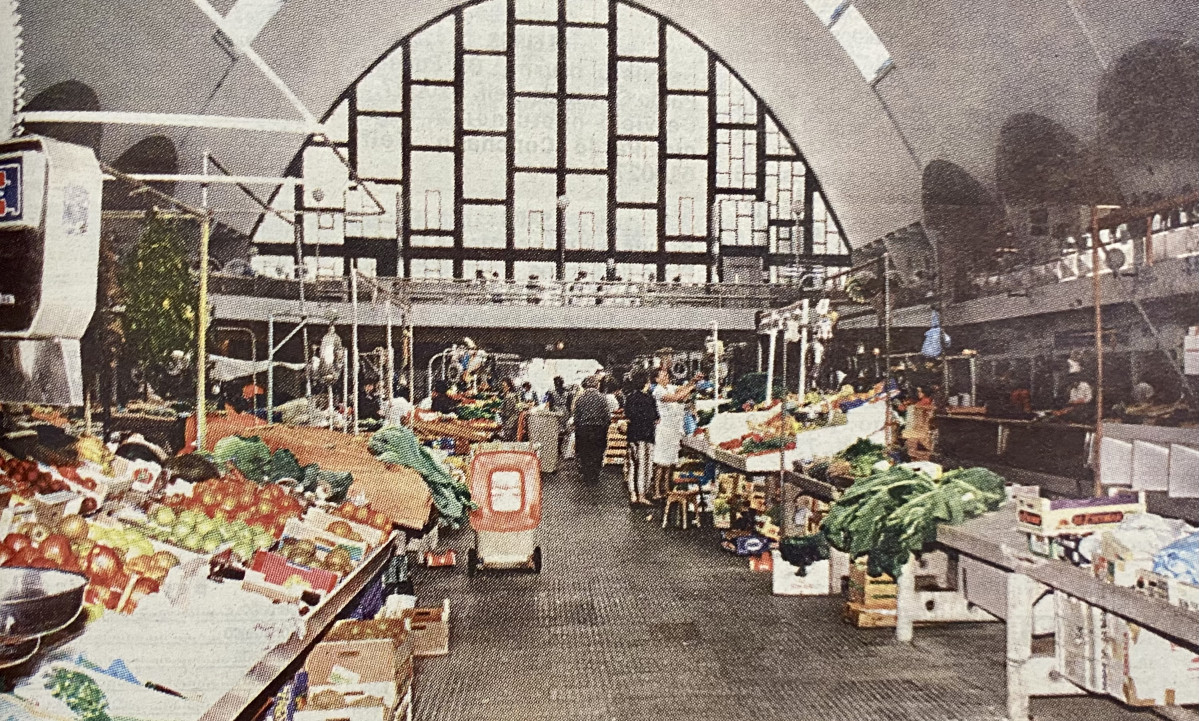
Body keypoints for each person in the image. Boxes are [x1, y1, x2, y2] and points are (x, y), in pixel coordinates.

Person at [650, 367, 703, 500]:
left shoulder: (669, 387)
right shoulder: (658, 391)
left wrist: (693, 381)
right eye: (663, 375)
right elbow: (675, 397)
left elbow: (680, 390)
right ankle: (656, 490)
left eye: (667, 374)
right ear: (656, 379)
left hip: (673, 429)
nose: (666, 377)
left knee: (670, 462)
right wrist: (690, 389)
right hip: (664, 429)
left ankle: (666, 489)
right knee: (661, 462)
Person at [623, 370, 657, 506]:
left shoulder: (630, 397)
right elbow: (654, 417)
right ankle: (642, 495)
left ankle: (633, 495)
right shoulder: (649, 399)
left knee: (632, 465)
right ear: (646, 383)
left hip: (632, 435)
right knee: (644, 466)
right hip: (646, 436)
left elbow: (628, 414)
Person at [572, 375, 612, 484]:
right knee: (597, 452)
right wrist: (605, 427)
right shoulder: (602, 398)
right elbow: (607, 417)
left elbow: (576, 417)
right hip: (599, 429)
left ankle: (587, 476)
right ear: (596, 385)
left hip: (584, 429)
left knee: (585, 452)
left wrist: (578, 428)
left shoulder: (580, 399)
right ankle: (595, 476)